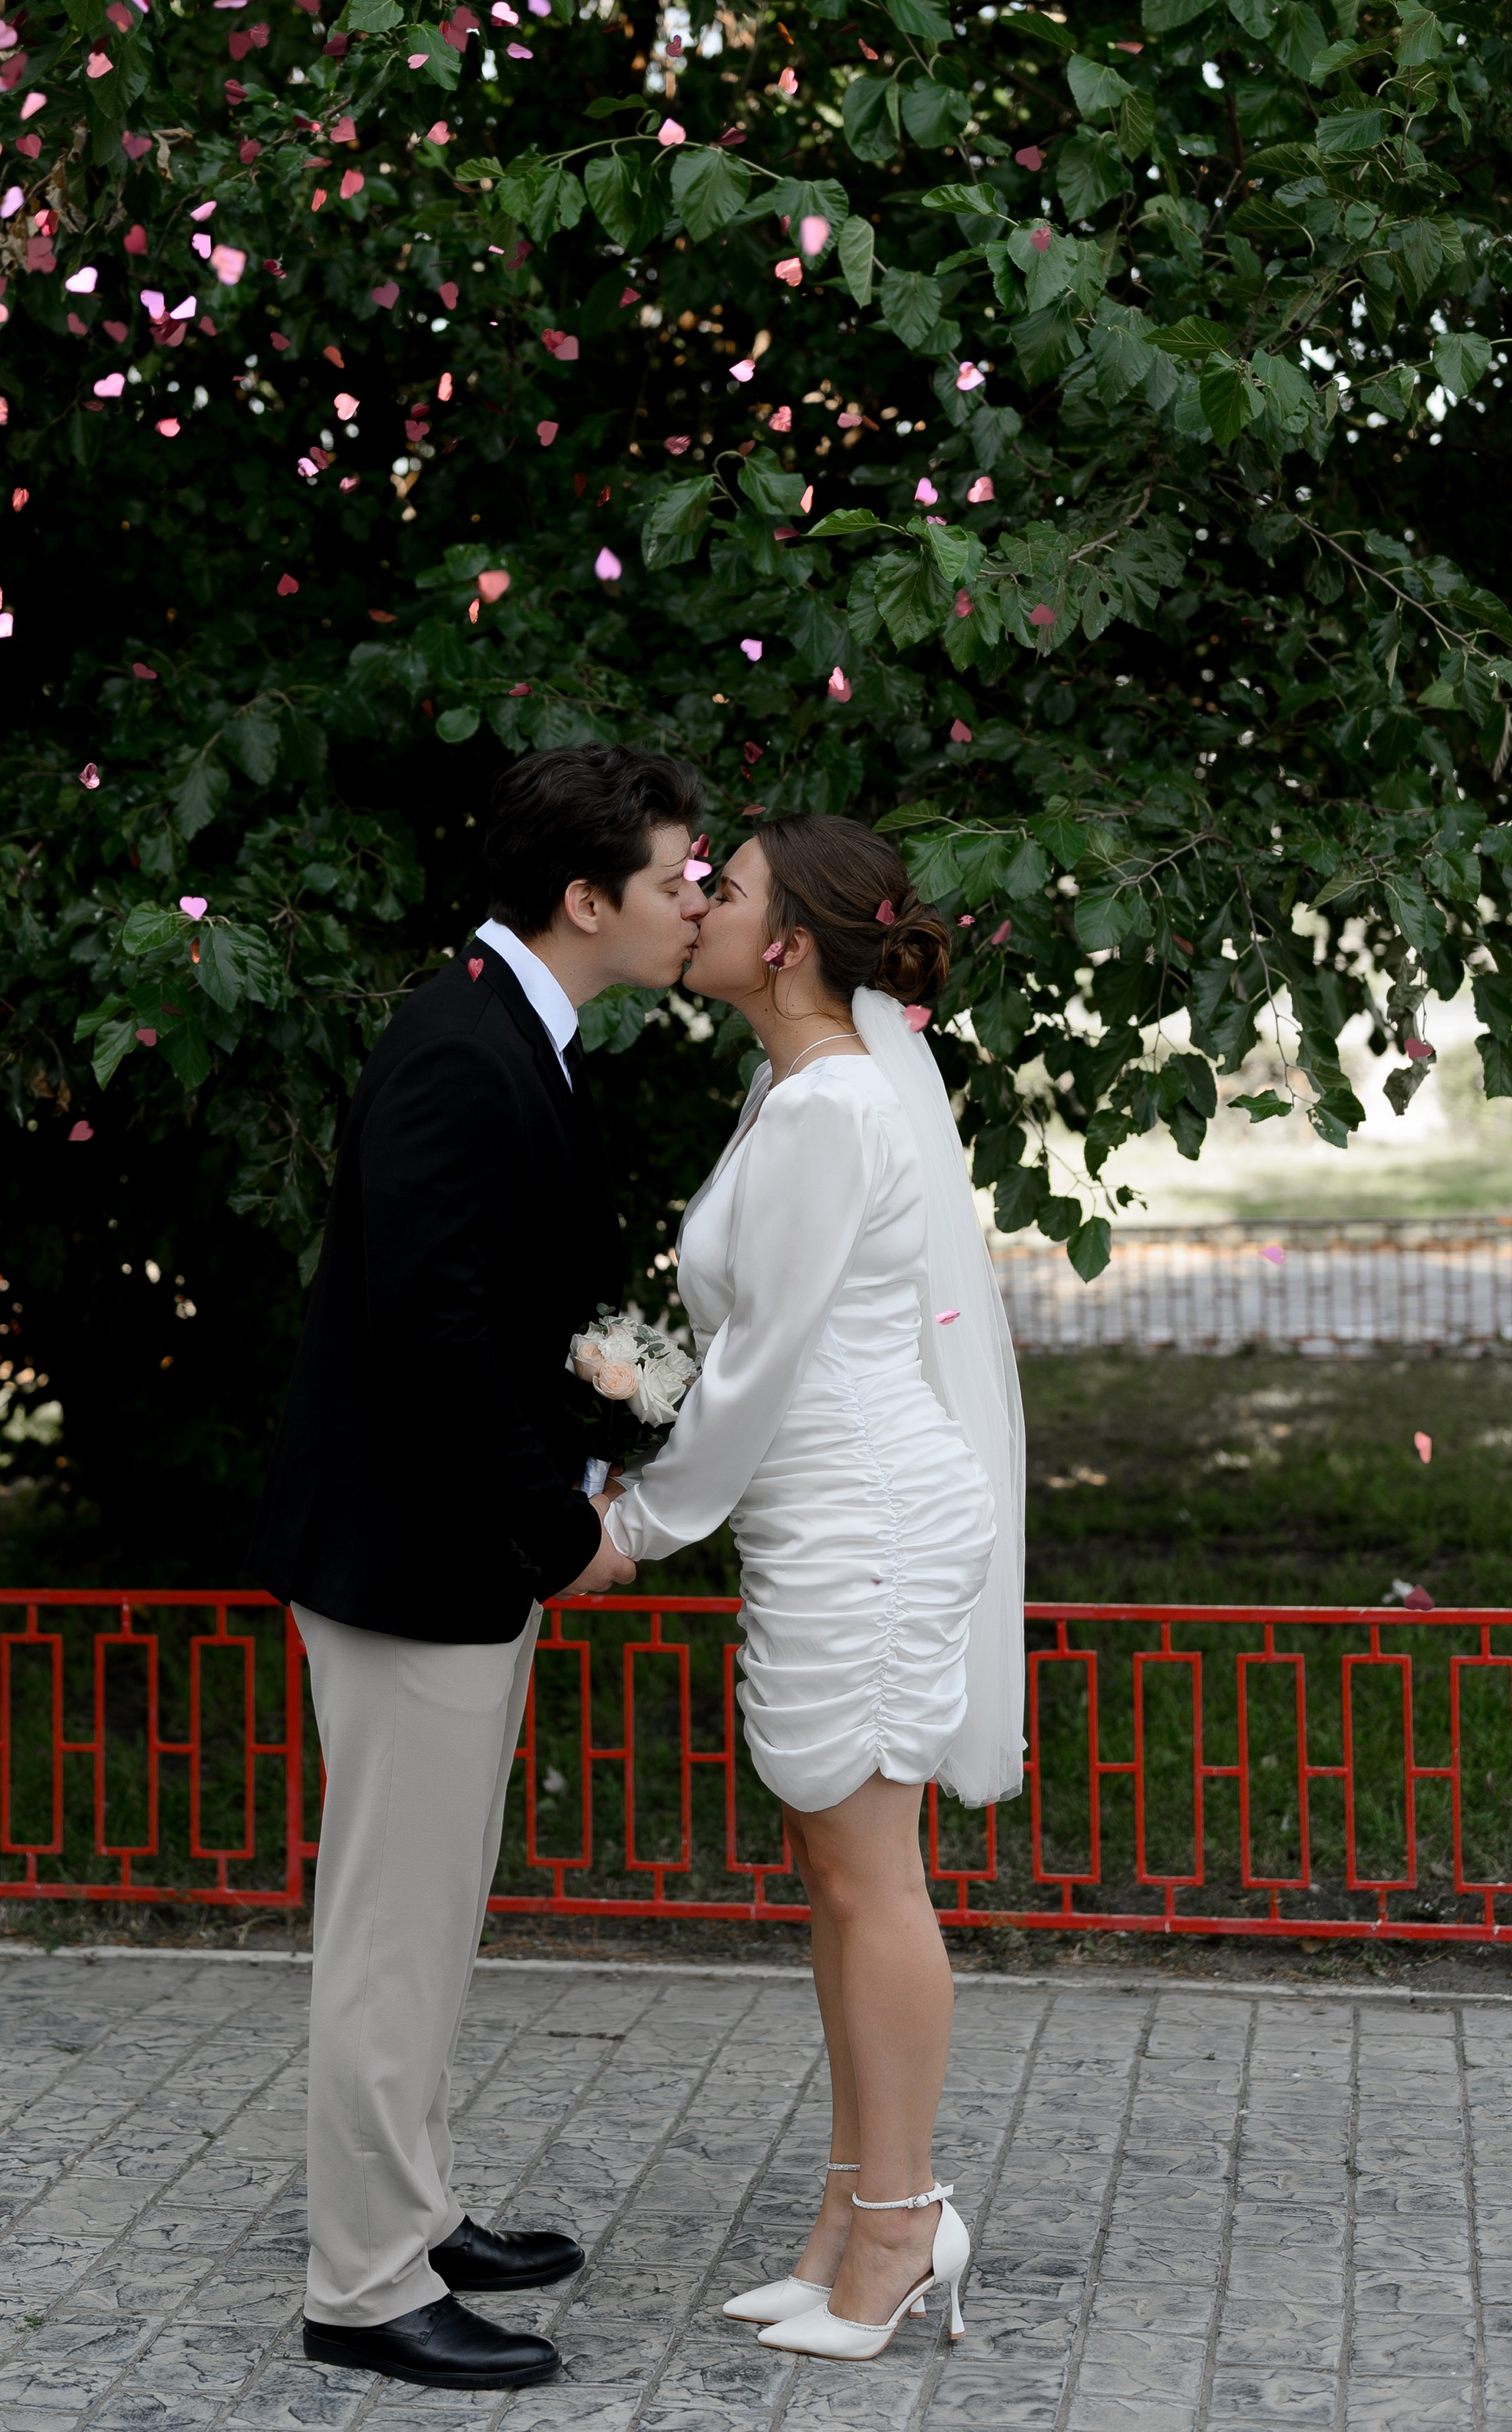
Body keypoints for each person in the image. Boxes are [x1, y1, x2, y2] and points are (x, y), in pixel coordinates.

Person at [246, 742, 707, 2393]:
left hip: (441, 1550)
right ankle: (361, 2284)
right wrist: (560, 1520)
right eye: (675, 877)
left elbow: (492, 1315)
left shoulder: (515, 1026)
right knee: (391, 1924)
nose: (696, 901)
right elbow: (423, 1330)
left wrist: (580, 1446)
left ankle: (415, 2207)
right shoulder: (460, 1043)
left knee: (429, 1917)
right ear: (585, 897)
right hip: (406, 1555)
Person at [598, 813, 1026, 2364]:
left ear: (785, 939)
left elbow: (764, 1359)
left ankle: (904, 2220)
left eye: (728, 888)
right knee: (834, 1876)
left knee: (870, 1875)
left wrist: (638, 1524)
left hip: (864, 1508)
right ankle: (852, 2208)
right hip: (818, 1507)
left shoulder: (829, 1108)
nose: (697, 901)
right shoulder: (792, 1095)